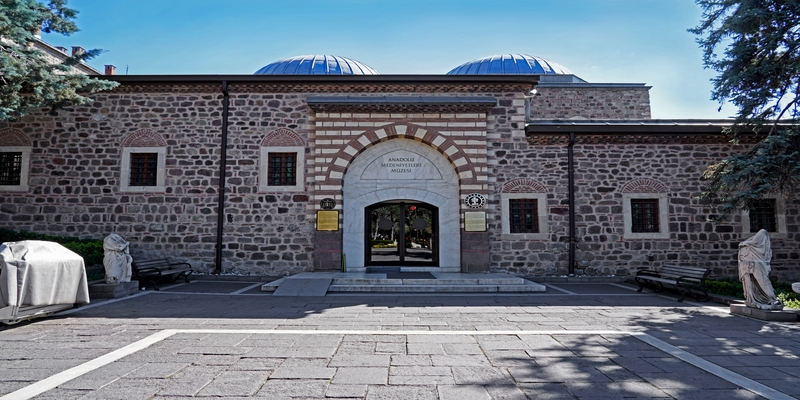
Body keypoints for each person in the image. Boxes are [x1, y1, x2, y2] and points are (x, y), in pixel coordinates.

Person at [738, 229, 783, 310]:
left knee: (763, 282)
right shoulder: (750, 245)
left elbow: (754, 242)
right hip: (748, 265)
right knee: (751, 283)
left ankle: (772, 299)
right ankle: (752, 299)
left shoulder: (759, 243)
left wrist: (744, 244)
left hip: (758, 266)